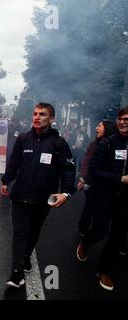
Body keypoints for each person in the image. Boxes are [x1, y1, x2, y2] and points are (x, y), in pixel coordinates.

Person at [1, 102, 76, 288]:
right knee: (19, 232)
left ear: (52, 119)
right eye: (35, 113)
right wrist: (5, 180)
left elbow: (68, 169)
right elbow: (14, 162)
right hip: (20, 195)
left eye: (42, 114)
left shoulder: (58, 143)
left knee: (33, 231)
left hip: (42, 198)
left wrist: (66, 192)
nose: (36, 117)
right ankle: (17, 273)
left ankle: (26, 256)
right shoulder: (23, 138)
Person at [77, 107, 128, 291]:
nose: (123, 122)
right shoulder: (107, 143)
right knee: (100, 229)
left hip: (124, 199)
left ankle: (103, 270)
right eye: (120, 119)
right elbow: (95, 171)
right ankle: (86, 242)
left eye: (127, 119)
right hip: (104, 195)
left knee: (117, 236)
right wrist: (119, 178)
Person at [77, 120, 117, 236]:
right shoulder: (94, 144)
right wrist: (82, 178)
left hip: (106, 185)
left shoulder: (114, 145)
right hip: (91, 183)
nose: (96, 128)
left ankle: (96, 231)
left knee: (100, 210)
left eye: (99, 126)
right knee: (89, 206)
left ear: (107, 129)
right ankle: (83, 228)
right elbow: (86, 161)